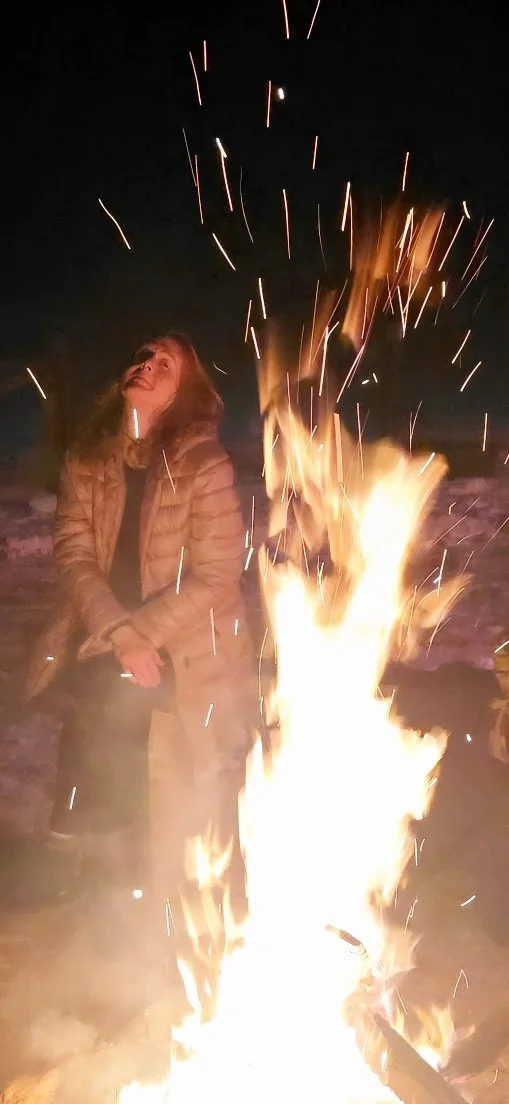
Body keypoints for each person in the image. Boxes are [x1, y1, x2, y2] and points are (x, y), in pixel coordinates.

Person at [26, 333, 254, 919]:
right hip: (107, 640)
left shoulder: (205, 464)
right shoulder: (88, 458)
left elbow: (218, 574)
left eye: (165, 364)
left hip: (185, 648)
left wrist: (143, 635)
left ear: (185, 392)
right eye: (143, 357)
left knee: (168, 778)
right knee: (94, 753)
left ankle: (168, 913)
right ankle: (87, 890)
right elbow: (74, 554)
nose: (146, 366)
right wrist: (119, 634)